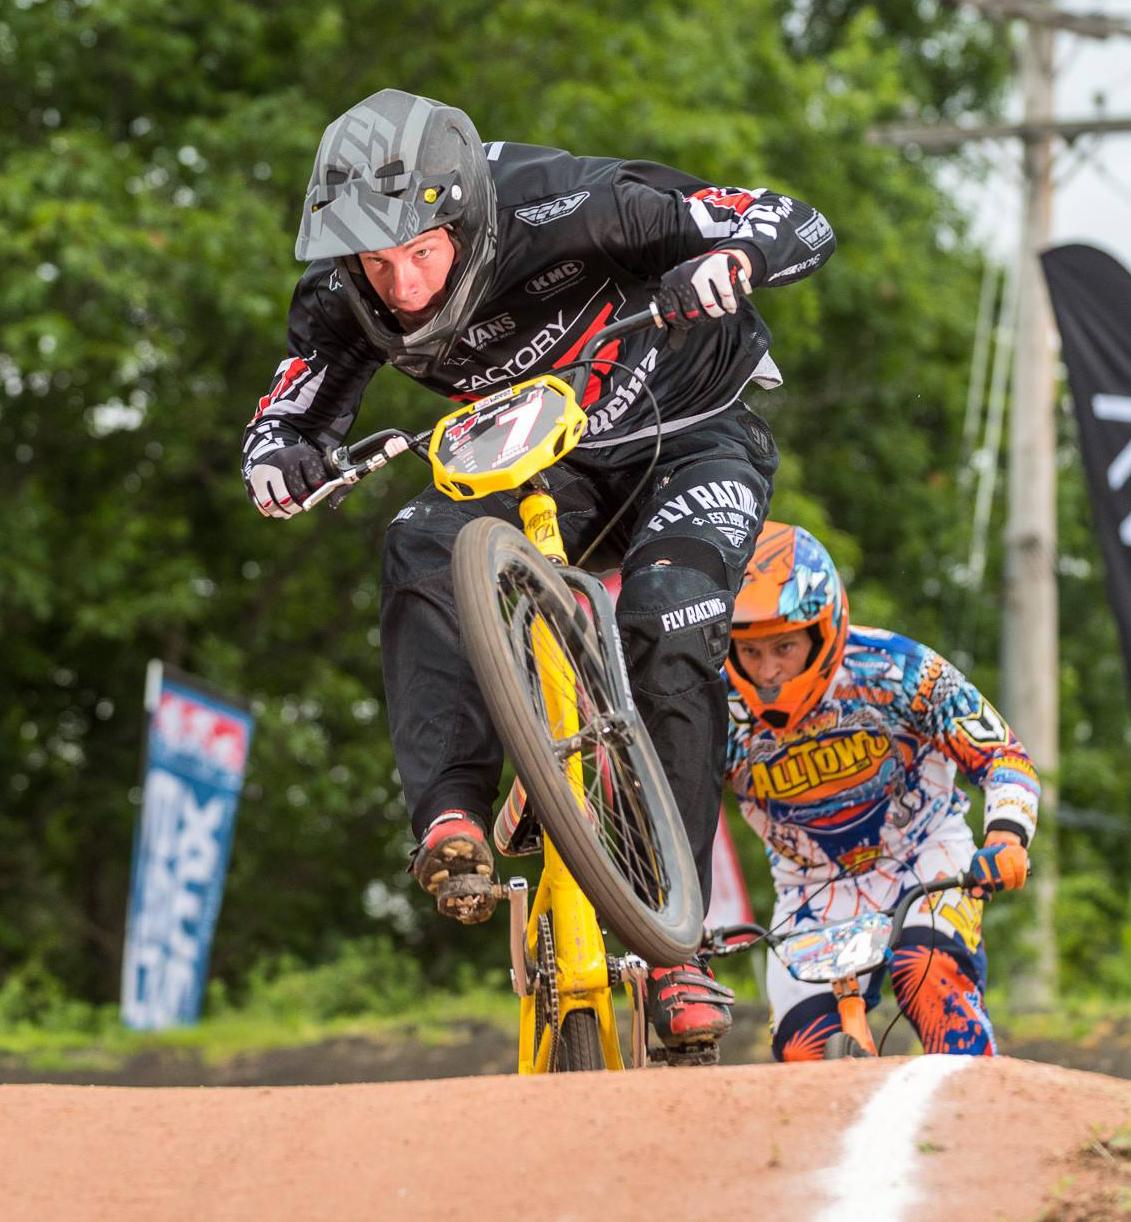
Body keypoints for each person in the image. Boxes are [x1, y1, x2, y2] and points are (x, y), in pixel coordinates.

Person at [241, 89, 836, 1055]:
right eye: (376, 263)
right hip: (543, 464)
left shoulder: (575, 203)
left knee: (670, 618)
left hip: (691, 438)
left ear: (465, 217)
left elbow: (792, 220)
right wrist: (280, 463)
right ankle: (450, 819)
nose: (402, 287)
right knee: (417, 540)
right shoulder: (343, 292)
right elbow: (288, 415)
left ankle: (679, 945)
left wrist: (732, 261)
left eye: (420, 253)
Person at [723, 521, 1038, 1059]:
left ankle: (979, 1102)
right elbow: (670, 806)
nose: (768, 671)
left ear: (822, 629)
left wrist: (1006, 836)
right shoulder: (712, 708)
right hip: (810, 888)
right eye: (750, 651)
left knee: (931, 975)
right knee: (802, 1052)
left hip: (923, 857)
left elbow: (1001, 753)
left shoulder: (897, 667)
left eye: (784, 646)